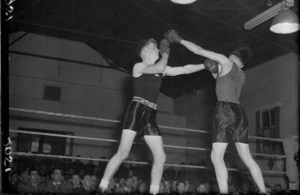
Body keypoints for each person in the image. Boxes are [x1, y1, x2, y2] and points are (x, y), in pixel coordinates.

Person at [164, 30, 267, 194]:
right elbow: (222, 80)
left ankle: (224, 191)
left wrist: (180, 40)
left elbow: (198, 50)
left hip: (225, 110)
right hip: (240, 113)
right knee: (247, 158)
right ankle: (263, 190)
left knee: (216, 156)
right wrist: (213, 70)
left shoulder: (225, 62)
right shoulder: (241, 74)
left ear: (231, 57)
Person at [99, 38, 205, 194]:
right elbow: (161, 66)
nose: (158, 50)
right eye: (155, 48)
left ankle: (154, 192)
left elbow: (185, 69)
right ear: (146, 51)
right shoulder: (139, 66)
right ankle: (102, 187)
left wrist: (205, 65)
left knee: (160, 157)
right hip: (137, 110)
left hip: (151, 115)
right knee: (123, 153)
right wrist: (166, 53)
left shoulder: (160, 69)